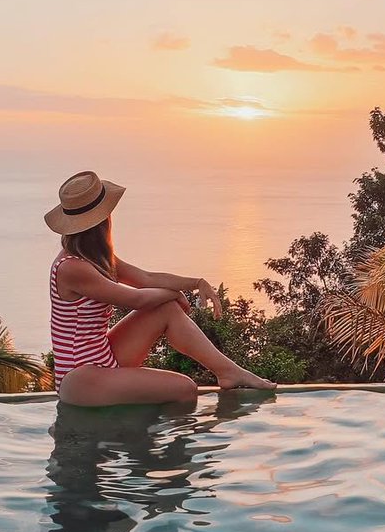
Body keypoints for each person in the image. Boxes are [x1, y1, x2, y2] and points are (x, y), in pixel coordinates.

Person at [45, 170, 276, 406]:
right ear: (103, 221)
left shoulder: (93, 257)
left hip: (102, 358)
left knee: (166, 309)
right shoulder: (72, 268)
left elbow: (146, 278)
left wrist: (196, 283)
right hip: (79, 378)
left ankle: (227, 371)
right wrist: (175, 294)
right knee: (185, 389)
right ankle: (142, 431)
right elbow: (136, 299)